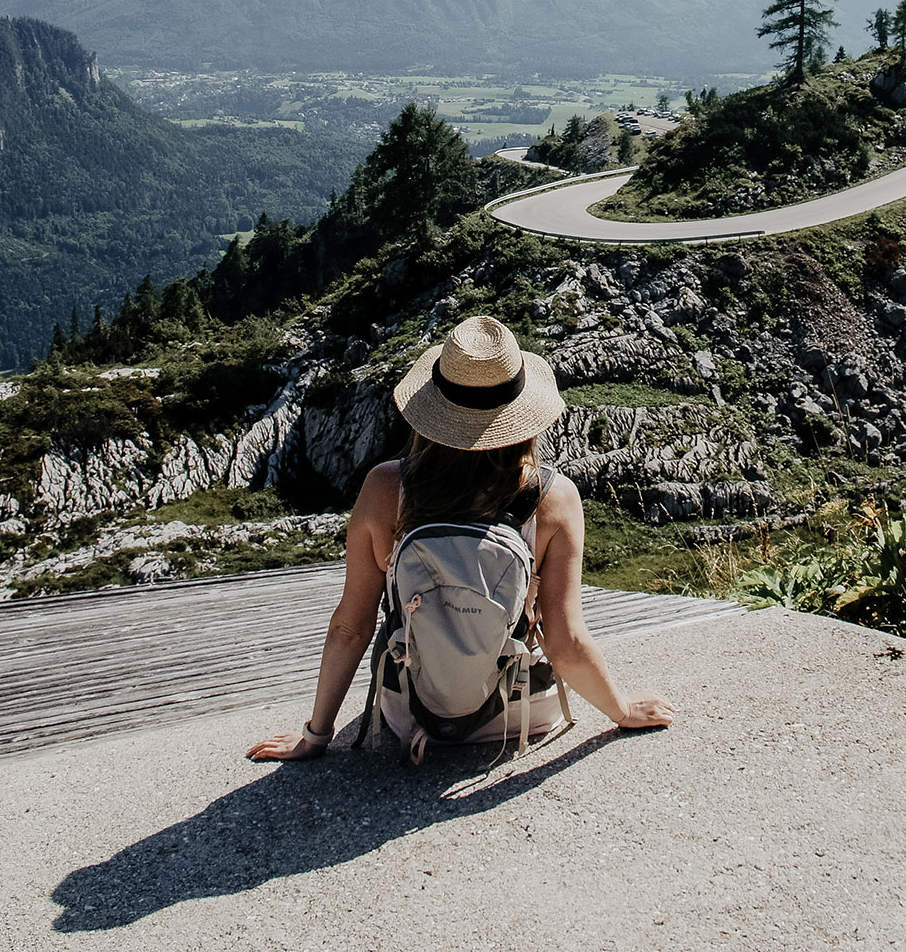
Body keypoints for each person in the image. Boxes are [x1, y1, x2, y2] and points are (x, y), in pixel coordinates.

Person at [247, 314, 674, 762]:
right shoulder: (554, 498)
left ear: (432, 410)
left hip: (411, 713)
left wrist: (316, 736)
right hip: (520, 712)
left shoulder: (383, 489)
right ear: (523, 415)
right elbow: (565, 640)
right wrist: (621, 709)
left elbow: (350, 627)